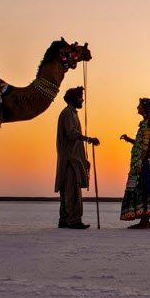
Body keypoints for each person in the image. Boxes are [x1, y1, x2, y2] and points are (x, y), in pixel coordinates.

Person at [119, 98, 150, 229]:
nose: (137, 107)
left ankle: (144, 220)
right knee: (139, 188)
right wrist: (130, 140)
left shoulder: (147, 125)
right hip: (138, 162)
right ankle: (143, 220)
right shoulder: (144, 124)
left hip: (142, 164)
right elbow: (141, 143)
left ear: (145, 108)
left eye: (139, 105)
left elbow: (145, 146)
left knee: (143, 189)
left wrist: (140, 162)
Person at [55, 86, 99, 229]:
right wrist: (88, 138)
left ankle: (65, 220)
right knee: (71, 190)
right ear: (74, 98)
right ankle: (73, 221)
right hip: (70, 159)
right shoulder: (68, 113)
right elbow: (71, 133)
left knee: (69, 190)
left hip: (74, 158)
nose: (82, 99)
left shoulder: (73, 113)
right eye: (80, 97)